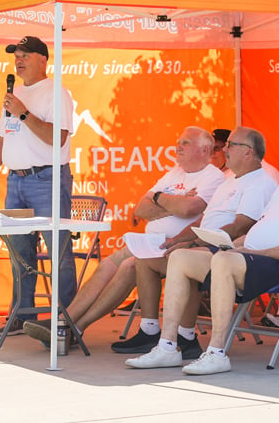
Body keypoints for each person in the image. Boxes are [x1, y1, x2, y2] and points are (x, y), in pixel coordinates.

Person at [125, 129, 279, 374]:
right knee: (180, 258)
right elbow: (261, 226)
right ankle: (168, 346)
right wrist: (238, 244)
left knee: (223, 261)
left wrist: (255, 252)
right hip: (251, 256)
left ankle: (217, 352)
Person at [22, 126, 225, 345]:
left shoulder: (213, 177)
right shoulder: (175, 172)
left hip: (178, 247)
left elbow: (189, 210)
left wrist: (159, 199)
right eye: (178, 141)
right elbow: (141, 209)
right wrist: (171, 201)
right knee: (107, 265)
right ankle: (63, 322)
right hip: (150, 243)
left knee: (128, 266)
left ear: (204, 150)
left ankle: (71, 328)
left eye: (185, 143)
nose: (178, 146)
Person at [111, 127, 278, 358]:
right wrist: (178, 239)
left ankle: (181, 338)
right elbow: (203, 220)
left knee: (182, 258)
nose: (225, 150)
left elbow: (241, 227)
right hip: (207, 244)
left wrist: (192, 242)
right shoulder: (231, 181)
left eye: (230, 145)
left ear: (248, 153)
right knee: (147, 258)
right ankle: (151, 331)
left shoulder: (259, 183)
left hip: (228, 251)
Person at [0, 36, 76, 336]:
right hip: (15, 181)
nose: (18, 60)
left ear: (43, 60)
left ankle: (66, 319)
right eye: (16, 56)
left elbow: (57, 138)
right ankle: (23, 312)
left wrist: (22, 111)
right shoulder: (15, 92)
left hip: (47, 179)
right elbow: (1, 139)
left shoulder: (56, 92)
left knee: (59, 251)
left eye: (25, 55)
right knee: (19, 252)